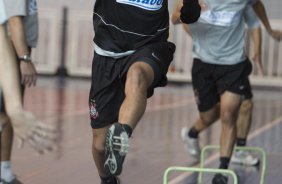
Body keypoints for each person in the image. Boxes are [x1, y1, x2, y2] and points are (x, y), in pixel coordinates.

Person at [89, 1, 201, 184]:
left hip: (150, 45)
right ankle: (108, 180)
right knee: (99, 145)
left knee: (137, 75)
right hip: (107, 53)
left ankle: (121, 135)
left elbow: (188, 13)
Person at [171, 0, 281, 183]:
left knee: (229, 113)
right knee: (208, 116)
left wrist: (263, 40)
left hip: (233, 65)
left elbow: (256, 11)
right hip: (202, 64)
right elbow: (175, 19)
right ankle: (191, 133)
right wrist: (186, 14)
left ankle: (222, 171)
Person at [0, 0, 57, 183]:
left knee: (7, 116)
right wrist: (24, 58)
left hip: (11, 50)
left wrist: (15, 110)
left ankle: (4, 171)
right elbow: (14, 21)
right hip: (15, 49)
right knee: (3, 117)